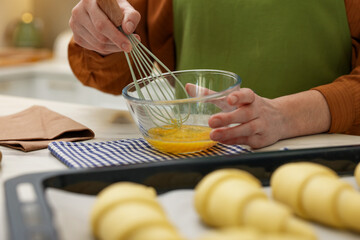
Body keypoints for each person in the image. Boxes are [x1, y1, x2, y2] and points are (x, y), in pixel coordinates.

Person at [68, 0, 360, 149]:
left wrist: (286, 117)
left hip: (329, 157)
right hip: (198, 157)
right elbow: (114, 70)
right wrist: (101, 32)